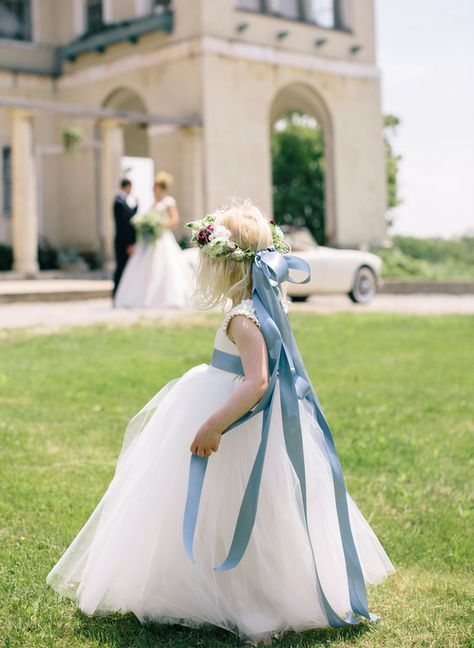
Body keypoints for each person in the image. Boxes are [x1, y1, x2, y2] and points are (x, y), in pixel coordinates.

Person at [47, 201, 394, 643]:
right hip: (243, 420)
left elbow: (257, 382)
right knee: (248, 509)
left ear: (228, 268)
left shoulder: (243, 318)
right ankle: (239, 585)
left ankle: (238, 595)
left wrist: (214, 424)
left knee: (228, 506)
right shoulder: (264, 309)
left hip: (233, 420)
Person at [114, 171, 191, 308]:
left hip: (163, 237)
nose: (152, 189)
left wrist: (159, 224)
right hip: (150, 239)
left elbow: (174, 220)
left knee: (166, 265)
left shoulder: (169, 201)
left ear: (160, 187)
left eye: (154, 186)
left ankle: (168, 298)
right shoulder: (153, 202)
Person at [112, 179, 138, 298]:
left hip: (123, 241)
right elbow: (124, 225)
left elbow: (129, 216)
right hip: (122, 242)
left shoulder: (122, 201)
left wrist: (136, 207)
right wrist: (129, 243)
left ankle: (120, 294)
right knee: (121, 267)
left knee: (124, 267)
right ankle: (116, 293)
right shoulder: (119, 202)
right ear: (128, 186)